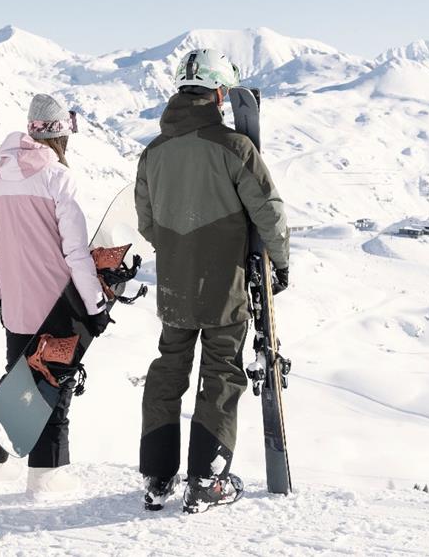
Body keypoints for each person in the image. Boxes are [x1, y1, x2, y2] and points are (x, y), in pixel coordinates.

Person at [135, 49, 290, 513]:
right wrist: (279, 264)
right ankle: (206, 480)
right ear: (219, 93)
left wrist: (180, 250)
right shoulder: (234, 148)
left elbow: (147, 222)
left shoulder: (153, 152)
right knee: (221, 374)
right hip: (224, 285)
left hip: (174, 285)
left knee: (168, 370)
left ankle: (158, 477)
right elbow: (269, 212)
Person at [0, 93, 110, 496]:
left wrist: (3, 299)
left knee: (16, 384)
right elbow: (76, 252)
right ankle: (48, 474)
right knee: (54, 385)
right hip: (58, 304)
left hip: (17, 303)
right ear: (62, 133)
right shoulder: (58, 178)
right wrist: (95, 304)